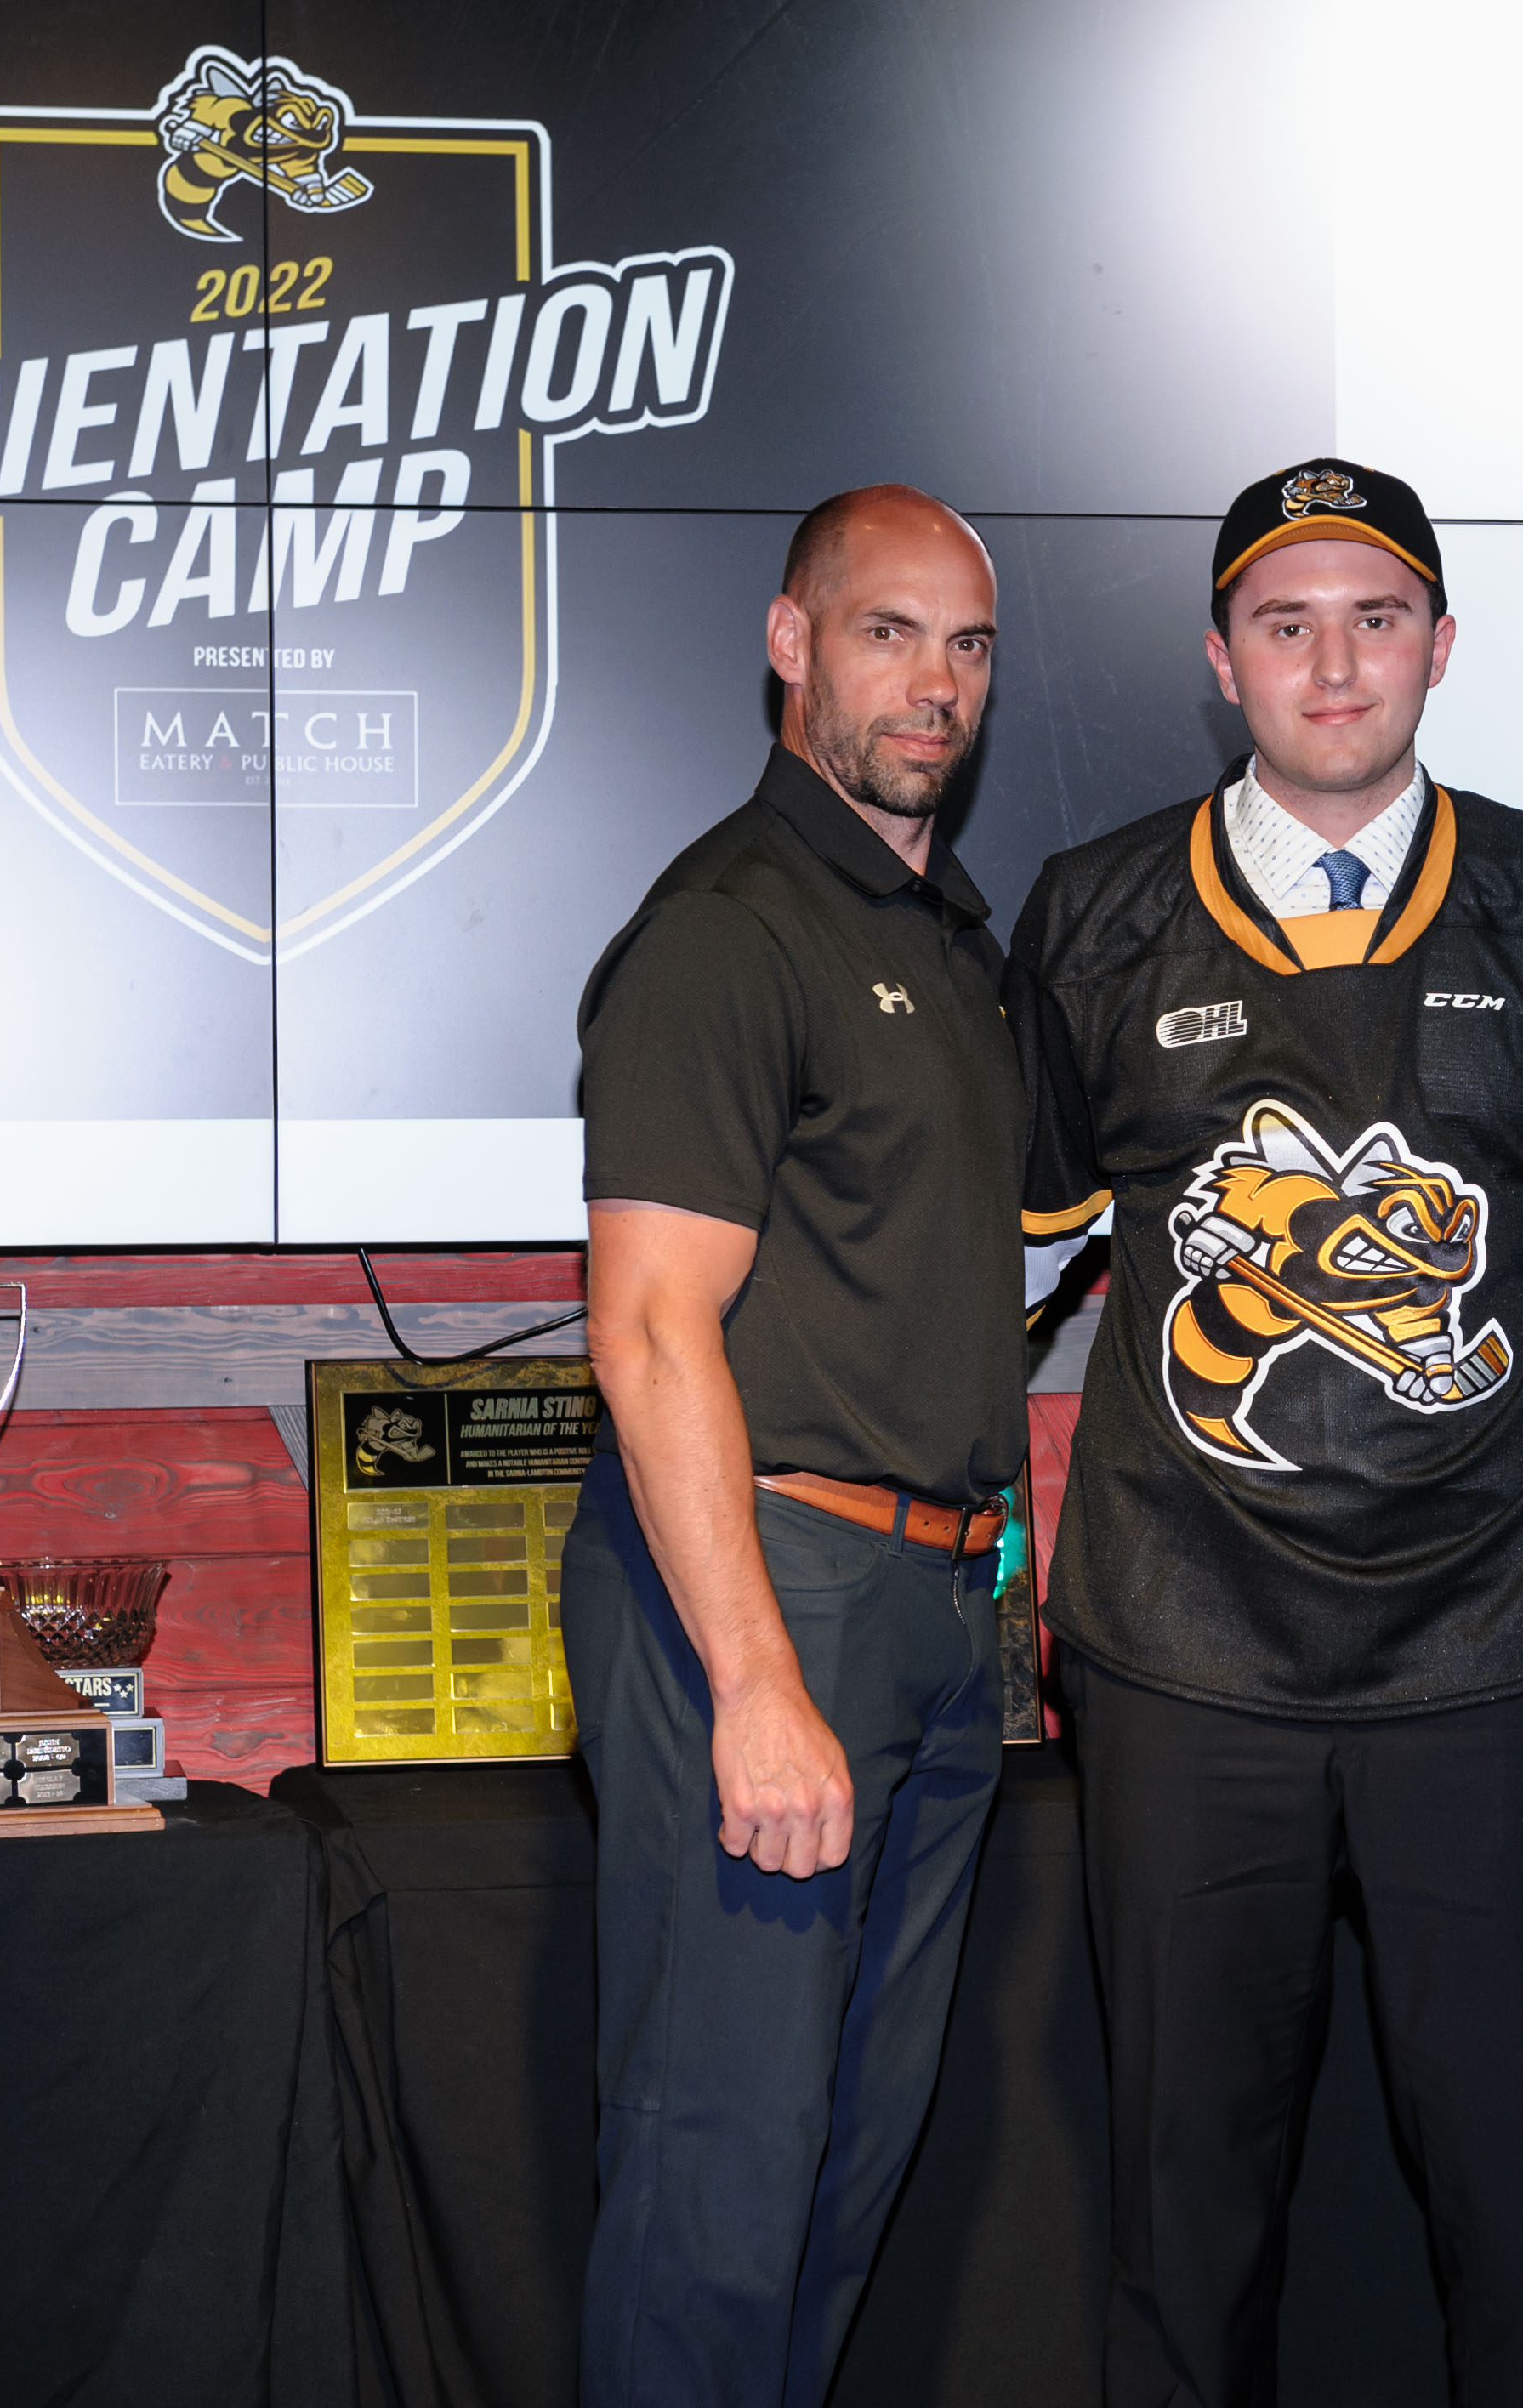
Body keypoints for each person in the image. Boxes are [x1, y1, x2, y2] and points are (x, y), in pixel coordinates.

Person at [1013, 457, 1523, 2407]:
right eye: (1284, 624)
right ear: (1222, 661)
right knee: (1185, 2214)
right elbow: (996, 1275)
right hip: (1185, 1658)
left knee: (1521, 2216)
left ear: (1441, 645)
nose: (1334, 663)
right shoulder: (1095, 912)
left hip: (1492, 1655)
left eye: (1375, 619)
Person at [563, 485, 1023, 2408]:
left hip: (933, 1607)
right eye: (887, 632)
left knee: (840, 2183)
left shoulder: (946, 933)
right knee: (721, 2177)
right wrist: (756, 1683)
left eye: (968, 646)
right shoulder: (729, 927)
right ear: (789, 641)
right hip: (768, 1597)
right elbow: (648, 1326)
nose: (935, 685)